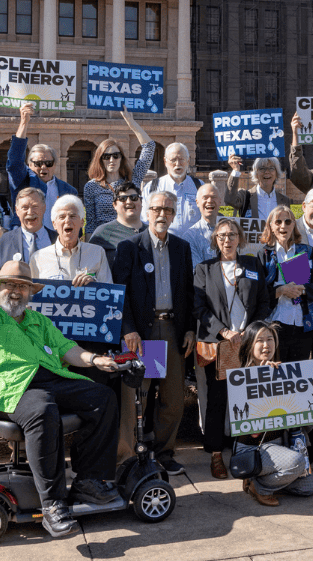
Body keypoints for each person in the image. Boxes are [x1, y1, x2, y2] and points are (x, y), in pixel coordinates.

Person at [0, 221, 121, 538]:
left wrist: (94, 360)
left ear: (30, 292)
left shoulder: (37, 320)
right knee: (43, 409)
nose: (16, 290)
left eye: (23, 286)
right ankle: (53, 505)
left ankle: (88, 481)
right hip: (0, 387)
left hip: (44, 380)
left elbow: (67, 348)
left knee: (102, 397)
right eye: (9, 284)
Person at [112, 190, 195, 473]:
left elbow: (188, 292)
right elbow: (120, 293)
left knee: (172, 399)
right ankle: (127, 458)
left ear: (174, 215)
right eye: (157, 209)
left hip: (171, 329)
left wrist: (190, 329)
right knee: (136, 397)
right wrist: (128, 330)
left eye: (168, 210)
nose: (162, 214)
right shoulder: (129, 247)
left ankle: (164, 453)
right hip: (141, 333)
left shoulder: (182, 248)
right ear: (147, 212)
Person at [194, 217, 272, 478]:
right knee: (217, 400)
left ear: (240, 238)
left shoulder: (252, 264)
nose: (227, 240)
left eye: (232, 235)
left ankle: (246, 451)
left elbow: (263, 300)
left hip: (248, 343)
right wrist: (224, 331)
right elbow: (199, 308)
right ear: (215, 240)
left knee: (249, 399)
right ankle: (216, 455)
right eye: (222, 236)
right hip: (221, 344)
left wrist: (252, 332)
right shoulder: (205, 269)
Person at [231, 321, 313, 505]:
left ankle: (269, 478)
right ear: (249, 345)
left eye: (270, 339)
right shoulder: (240, 378)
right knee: (297, 462)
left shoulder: (284, 373)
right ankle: (259, 487)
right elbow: (250, 431)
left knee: (308, 486)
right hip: (255, 446)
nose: (266, 345)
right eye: (260, 340)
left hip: (282, 443)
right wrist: (262, 378)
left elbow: (307, 423)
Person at [259, 206, 313, 362]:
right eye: (278, 222)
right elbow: (258, 293)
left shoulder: (307, 252)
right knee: (277, 369)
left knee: (299, 370)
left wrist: (303, 290)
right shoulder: (264, 254)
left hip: (303, 323)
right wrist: (281, 290)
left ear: (294, 225)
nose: (283, 226)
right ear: (271, 226)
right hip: (275, 324)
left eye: (288, 222)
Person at [82, 109, 157, 236]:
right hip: (104, 239)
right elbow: (90, 223)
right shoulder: (91, 186)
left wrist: (131, 122)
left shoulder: (132, 180)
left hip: (130, 237)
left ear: (121, 158)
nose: (112, 160)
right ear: (100, 160)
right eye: (106, 156)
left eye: (116, 155)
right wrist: (90, 246)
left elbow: (149, 147)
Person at [6, 102, 77, 223]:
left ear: (55, 165)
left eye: (48, 163)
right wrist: (24, 122)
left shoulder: (68, 190)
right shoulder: (23, 182)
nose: (43, 167)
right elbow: (15, 160)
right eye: (38, 163)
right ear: (30, 165)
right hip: (27, 234)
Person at [30, 196, 113, 284]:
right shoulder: (38, 258)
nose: (67, 221)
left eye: (73, 216)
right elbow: (31, 291)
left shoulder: (97, 253)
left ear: (82, 222)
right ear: (54, 224)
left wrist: (94, 283)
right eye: (62, 217)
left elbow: (108, 289)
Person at [142, 142, 202, 238]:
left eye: (181, 159)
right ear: (165, 161)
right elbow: (144, 221)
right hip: (163, 243)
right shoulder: (152, 187)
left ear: (188, 160)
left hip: (194, 244)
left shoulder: (199, 186)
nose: (178, 164)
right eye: (173, 160)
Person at [0, 187, 55, 270]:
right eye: (25, 207)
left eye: (35, 206)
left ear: (44, 208)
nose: (30, 212)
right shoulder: (0, 243)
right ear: (17, 211)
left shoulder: (59, 240)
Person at [89, 181, 146, 266]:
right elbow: (89, 265)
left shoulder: (152, 232)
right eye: (123, 198)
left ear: (141, 202)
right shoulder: (103, 233)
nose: (129, 202)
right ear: (114, 205)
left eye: (134, 197)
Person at [225, 156, 290, 221]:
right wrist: (235, 170)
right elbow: (230, 200)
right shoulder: (245, 196)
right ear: (256, 174)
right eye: (262, 168)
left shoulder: (285, 200)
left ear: (276, 174)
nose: (267, 172)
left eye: (271, 168)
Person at [185, 182, 225, 267]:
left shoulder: (234, 230)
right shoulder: (190, 236)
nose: (209, 201)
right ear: (197, 202)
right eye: (205, 197)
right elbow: (197, 270)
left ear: (220, 201)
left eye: (213, 197)